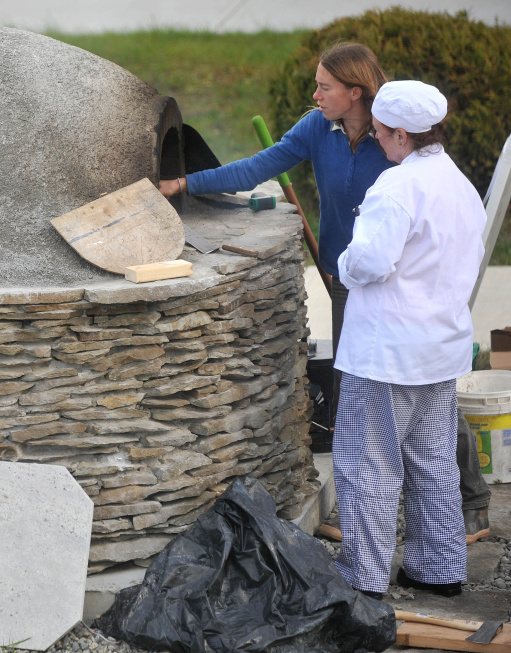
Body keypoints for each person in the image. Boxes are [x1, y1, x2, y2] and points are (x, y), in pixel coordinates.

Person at [158, 42, 491, 544]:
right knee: (353, 395)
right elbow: (257, 167)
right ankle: (362, 513)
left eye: (325, 87)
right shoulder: (319, 128)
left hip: (408, 292)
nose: (314, 94)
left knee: (423, 395)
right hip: (347, 284)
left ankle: (472, 502)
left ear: (356, 92)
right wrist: (183, 183)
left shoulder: (396, 139)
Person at [331, 80, 487, 599]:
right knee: (433, 464)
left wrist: (343, 263)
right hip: (439, 352)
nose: (375, 140)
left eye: (378, 133)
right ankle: (437, 569)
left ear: (401, 134)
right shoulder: (461, 186)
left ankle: (364, 581)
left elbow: (371, 262)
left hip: (385, 355)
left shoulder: (397, 187)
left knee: (367, 468)